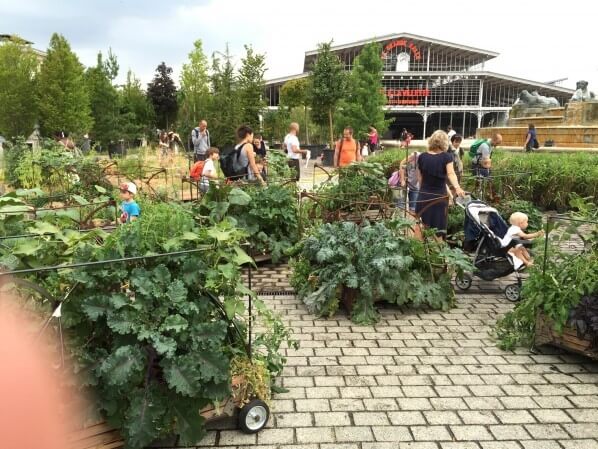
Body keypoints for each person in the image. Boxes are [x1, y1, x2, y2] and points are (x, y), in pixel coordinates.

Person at [415, 130, 465, 239]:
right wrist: (457, 187)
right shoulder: (447, 157)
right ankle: (438, 252)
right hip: (439, 197)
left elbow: (419, 177)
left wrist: (423, 189)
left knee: (421, 225)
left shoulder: (422, 156)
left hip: (423, 195)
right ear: (445, 143)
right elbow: (451, 173)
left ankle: (419, 251)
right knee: (439, 228)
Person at [471, 133, 502, 200]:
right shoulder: (485, 146)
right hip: (478, 165)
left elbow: (487, 161)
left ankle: (488, 195)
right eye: (498, 143)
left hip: (482, 164)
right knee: (480, 182)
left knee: (488, 180)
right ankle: (479, 198)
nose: (497, 145)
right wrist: (489, 167)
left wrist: (489, 166)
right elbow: (486, 162)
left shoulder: (490, 144)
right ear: (494, 140)